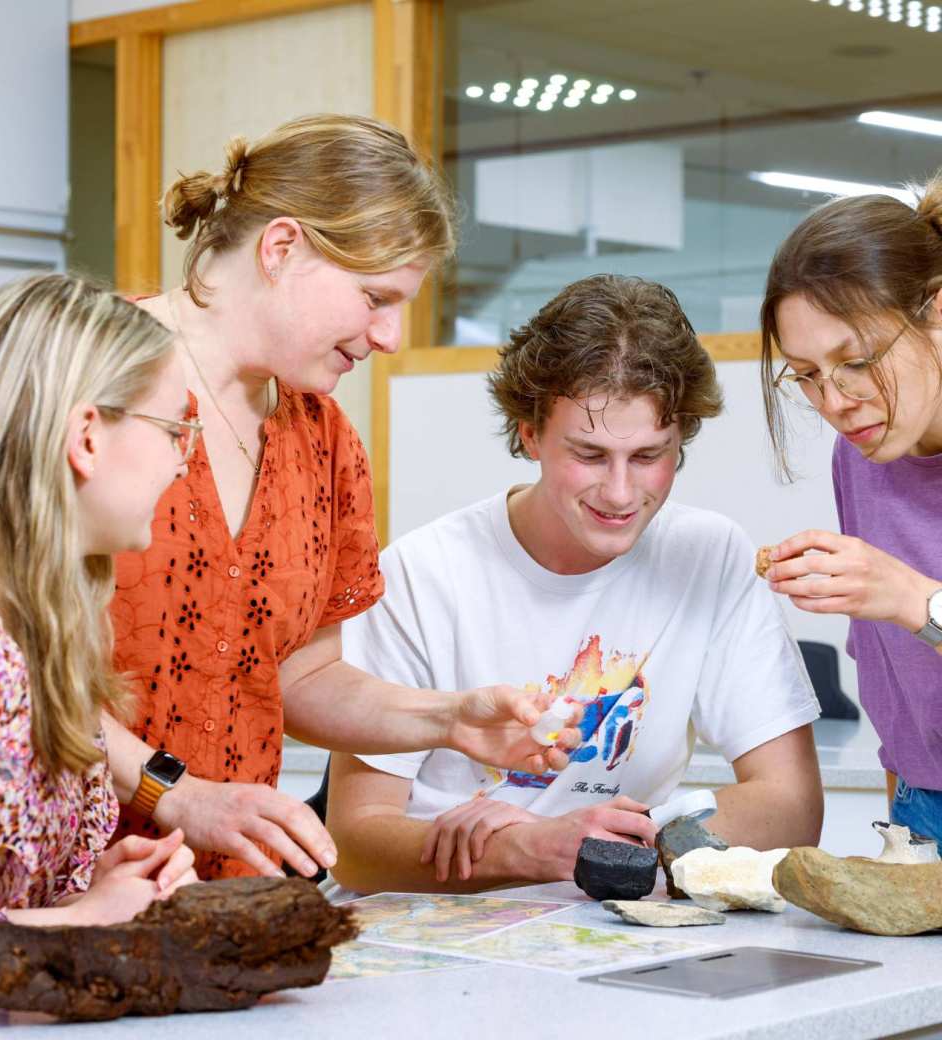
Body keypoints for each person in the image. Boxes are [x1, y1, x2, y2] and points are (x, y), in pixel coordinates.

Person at [105, 114, 576, 881]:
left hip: (225, 886)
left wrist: (449, 719)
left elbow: (302, 679)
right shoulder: (83, 371)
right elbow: (9, 663)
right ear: (282, 248)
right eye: (374, 298)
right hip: (66, 879)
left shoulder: (320, 438)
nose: (389, 336)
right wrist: (178, 795)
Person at [326, 274, 824, 894]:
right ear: (530, 433)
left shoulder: (710, 555)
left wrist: (604, 841)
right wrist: (527, 849)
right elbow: (355, 846)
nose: (619, 493)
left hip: (605, 921)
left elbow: (792, 811)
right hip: (431, 928)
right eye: (588, 455)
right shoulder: (422, 573)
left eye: (648, 456)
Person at [0, 274, 200, 998]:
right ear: (87, 437)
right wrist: (80, 923)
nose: (182, 461)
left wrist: (88, 893)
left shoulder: (40, 620)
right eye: (174, 431)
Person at [759, 172, 942, 850]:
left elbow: (908, 612)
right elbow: (895, 683)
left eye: (857, 361)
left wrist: (911, 598)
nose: (835, 402)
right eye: (805, 374)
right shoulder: (860, 458)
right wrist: (907, 832)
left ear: (936, 309)